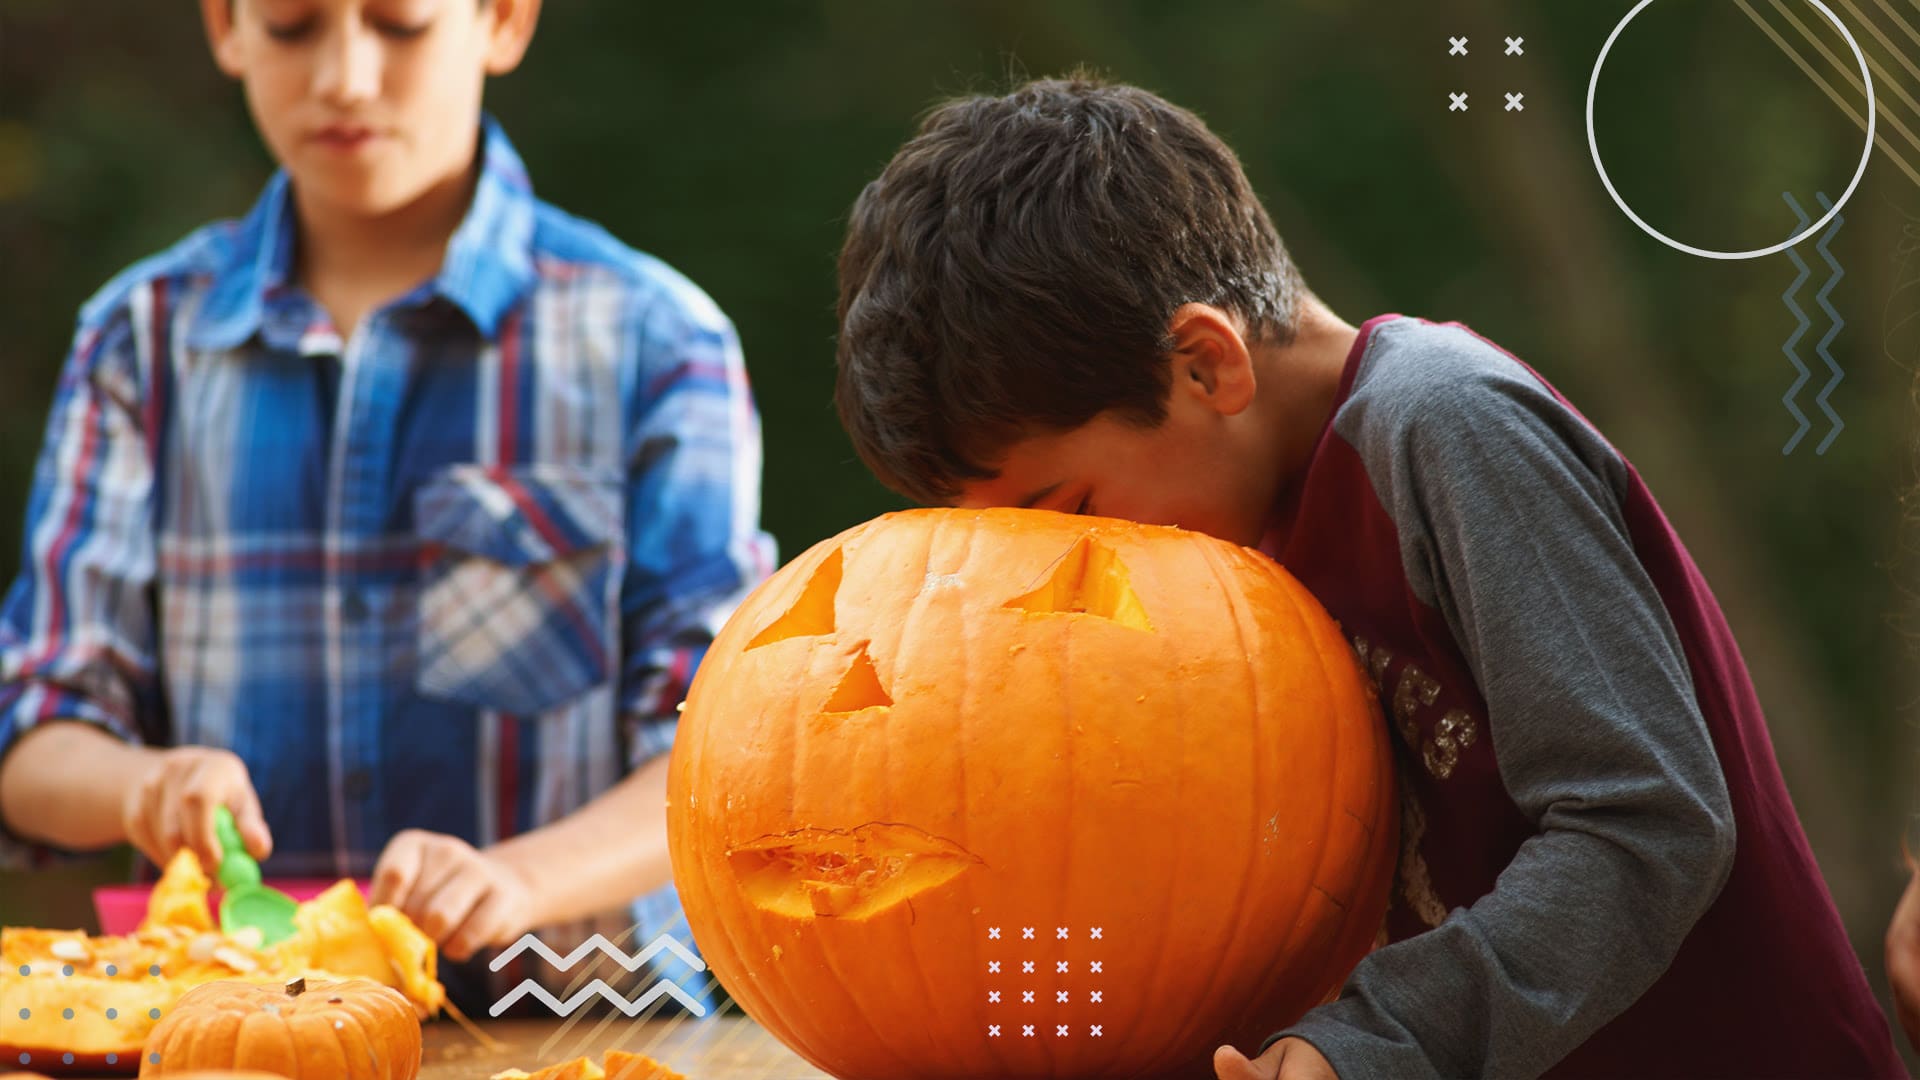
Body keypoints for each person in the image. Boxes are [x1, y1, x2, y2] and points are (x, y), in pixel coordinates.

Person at [831, 74, 1904, 1078]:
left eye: (1070, 513)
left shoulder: (1442, 426)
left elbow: (1647, 824)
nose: (1073, 565)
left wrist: (1383, 1038)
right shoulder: (1233, 531)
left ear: (1207, 364)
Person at [0, 0, 773, 1016]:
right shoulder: (140, 342)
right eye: (291, 28)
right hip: (231, 1031)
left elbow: (723, 762)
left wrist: (520, 880)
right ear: (226, 27)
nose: (347, 77)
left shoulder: (658, 341)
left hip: (572, 1031)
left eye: (400, 26)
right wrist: (142, 786)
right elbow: (33, 738)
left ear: (501, 21)